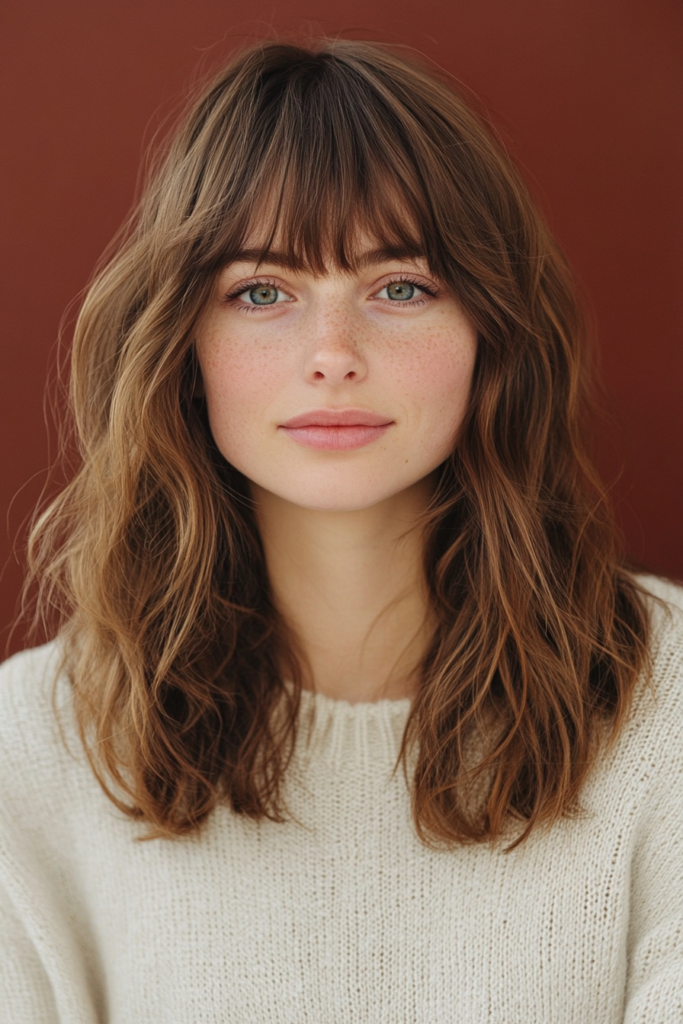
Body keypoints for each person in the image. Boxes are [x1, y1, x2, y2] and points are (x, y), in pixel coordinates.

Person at [0, 37, 681, 1024]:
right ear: (182, 345)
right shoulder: (31, 749)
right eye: (261, 292)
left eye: (399, 286)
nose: (331, 355)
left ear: (490, 330)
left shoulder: (665, 705)